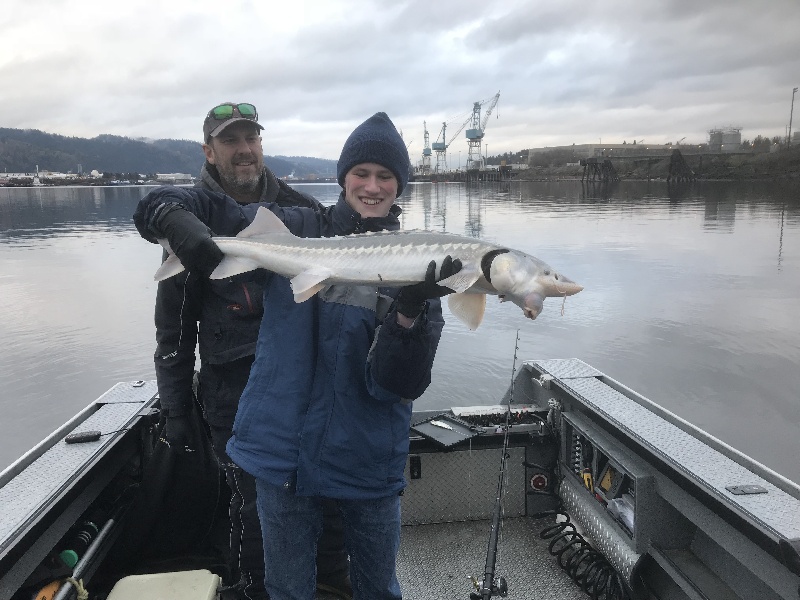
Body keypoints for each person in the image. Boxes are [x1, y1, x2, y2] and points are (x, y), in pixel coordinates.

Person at [134, 112, 460, 599]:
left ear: (400, 186)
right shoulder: (300, 225)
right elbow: (190, 204)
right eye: (361, 174)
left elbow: (398, 385)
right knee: (285, 587)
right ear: (343, 178)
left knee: (377, 587)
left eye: (385, 176)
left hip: (368, 456)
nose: (372, 187)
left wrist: (409, 312)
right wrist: (171, 218)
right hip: (279, 450)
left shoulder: (430, 267)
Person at [147, 101, 350, 599]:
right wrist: (176, 409)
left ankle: (330, 590)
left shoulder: (302, 211)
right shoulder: (190, 217)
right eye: (230, 141)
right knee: (254, 513)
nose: (244, 150)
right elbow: (174, 329)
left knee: (326, 503)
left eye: (251, 139)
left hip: (306, 386)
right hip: (233, 392)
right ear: (209, 152)